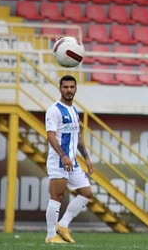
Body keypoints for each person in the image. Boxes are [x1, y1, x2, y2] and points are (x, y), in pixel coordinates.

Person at [45, 75, 94, 244]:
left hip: (72, 161)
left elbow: (77, 136)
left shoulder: (74, 110)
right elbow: (50, 136)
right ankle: (51, 235)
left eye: (72, 87)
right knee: (57, 196)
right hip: (59, 160)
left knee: (86, 193)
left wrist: (86, 157)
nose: (69, 90)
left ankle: (63, 225)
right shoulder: (54, 110)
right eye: (65, 87)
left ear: (75, 89)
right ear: (60, 89)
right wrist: (63, 156)